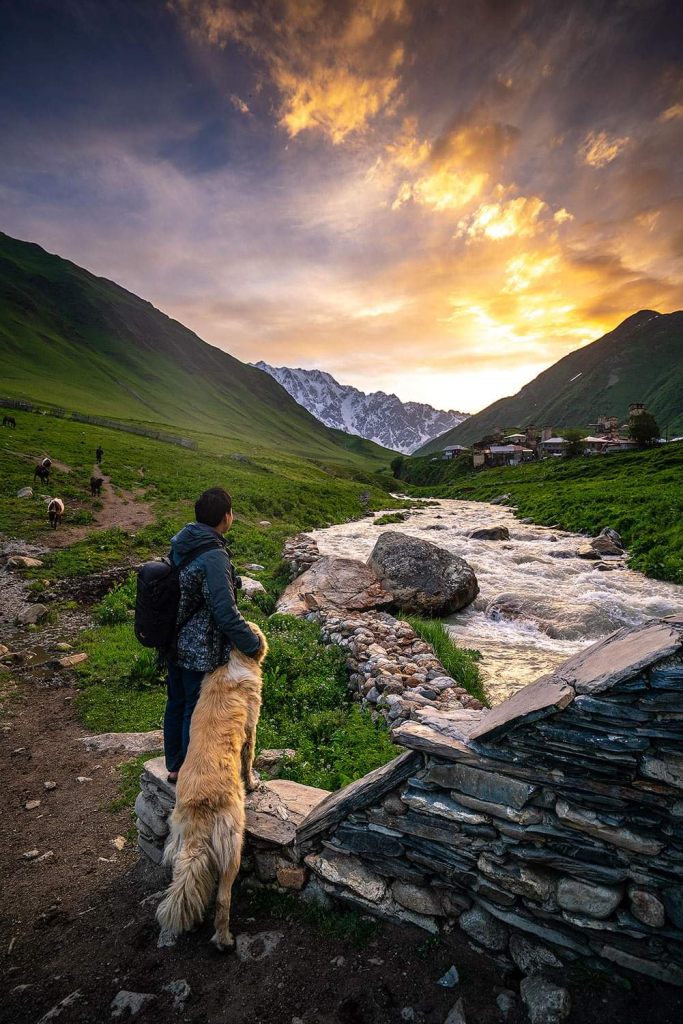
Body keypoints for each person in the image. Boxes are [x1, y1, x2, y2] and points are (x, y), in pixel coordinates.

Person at [163, 486, 262, 783]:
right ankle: (191, 773)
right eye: (231, 513)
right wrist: (253, 644)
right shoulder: (214, 554)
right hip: (199, 648)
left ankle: (175, 764)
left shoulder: (184, 541)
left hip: (172, 638)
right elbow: (225, 612)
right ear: (225, 517)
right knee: (195, 710)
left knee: (176, 702)